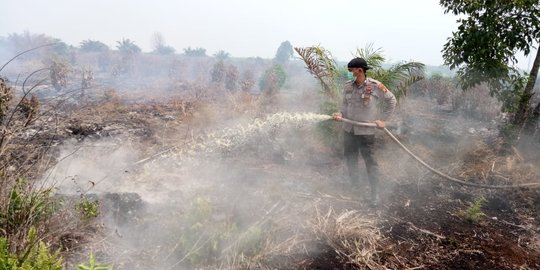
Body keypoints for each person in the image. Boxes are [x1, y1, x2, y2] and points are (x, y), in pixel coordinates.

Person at [332, 57, 396, 207]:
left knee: (370, 163)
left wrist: (383, 119)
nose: (349, 73)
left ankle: (375, 194)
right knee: (350, 159)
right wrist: (340, 114)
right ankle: (355, 188)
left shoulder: (375, 86)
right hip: (349, 130)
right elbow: (344, 106)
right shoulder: (348, 87)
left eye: (351, 70)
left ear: (359, 70)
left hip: (366, 131)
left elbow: (392, 100)